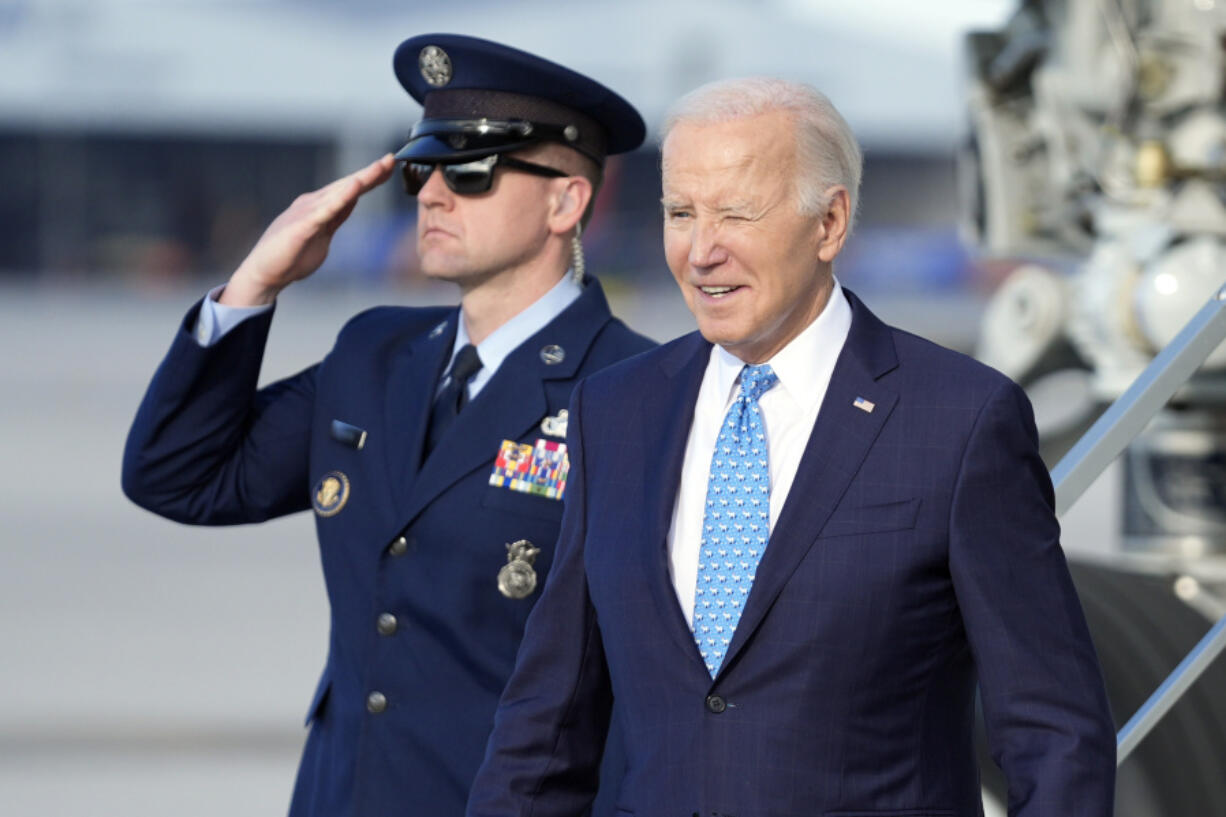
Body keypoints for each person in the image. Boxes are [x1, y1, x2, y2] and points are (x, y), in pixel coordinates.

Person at [466, 78, 1116, 817]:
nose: (701, 251)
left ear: (830, 222)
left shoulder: (959, 421)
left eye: (736, 214)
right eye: (681, 213)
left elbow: (1055, 732)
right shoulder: (615, 410)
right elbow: (547, 725)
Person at [121, 33, 654, 817]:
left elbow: (658, 688)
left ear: (566, 201)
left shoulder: (638, 390)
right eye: (421, 167)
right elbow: (180, 474)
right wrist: (255, 284)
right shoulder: (376, 353)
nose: (433, 193)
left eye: (470, 168)